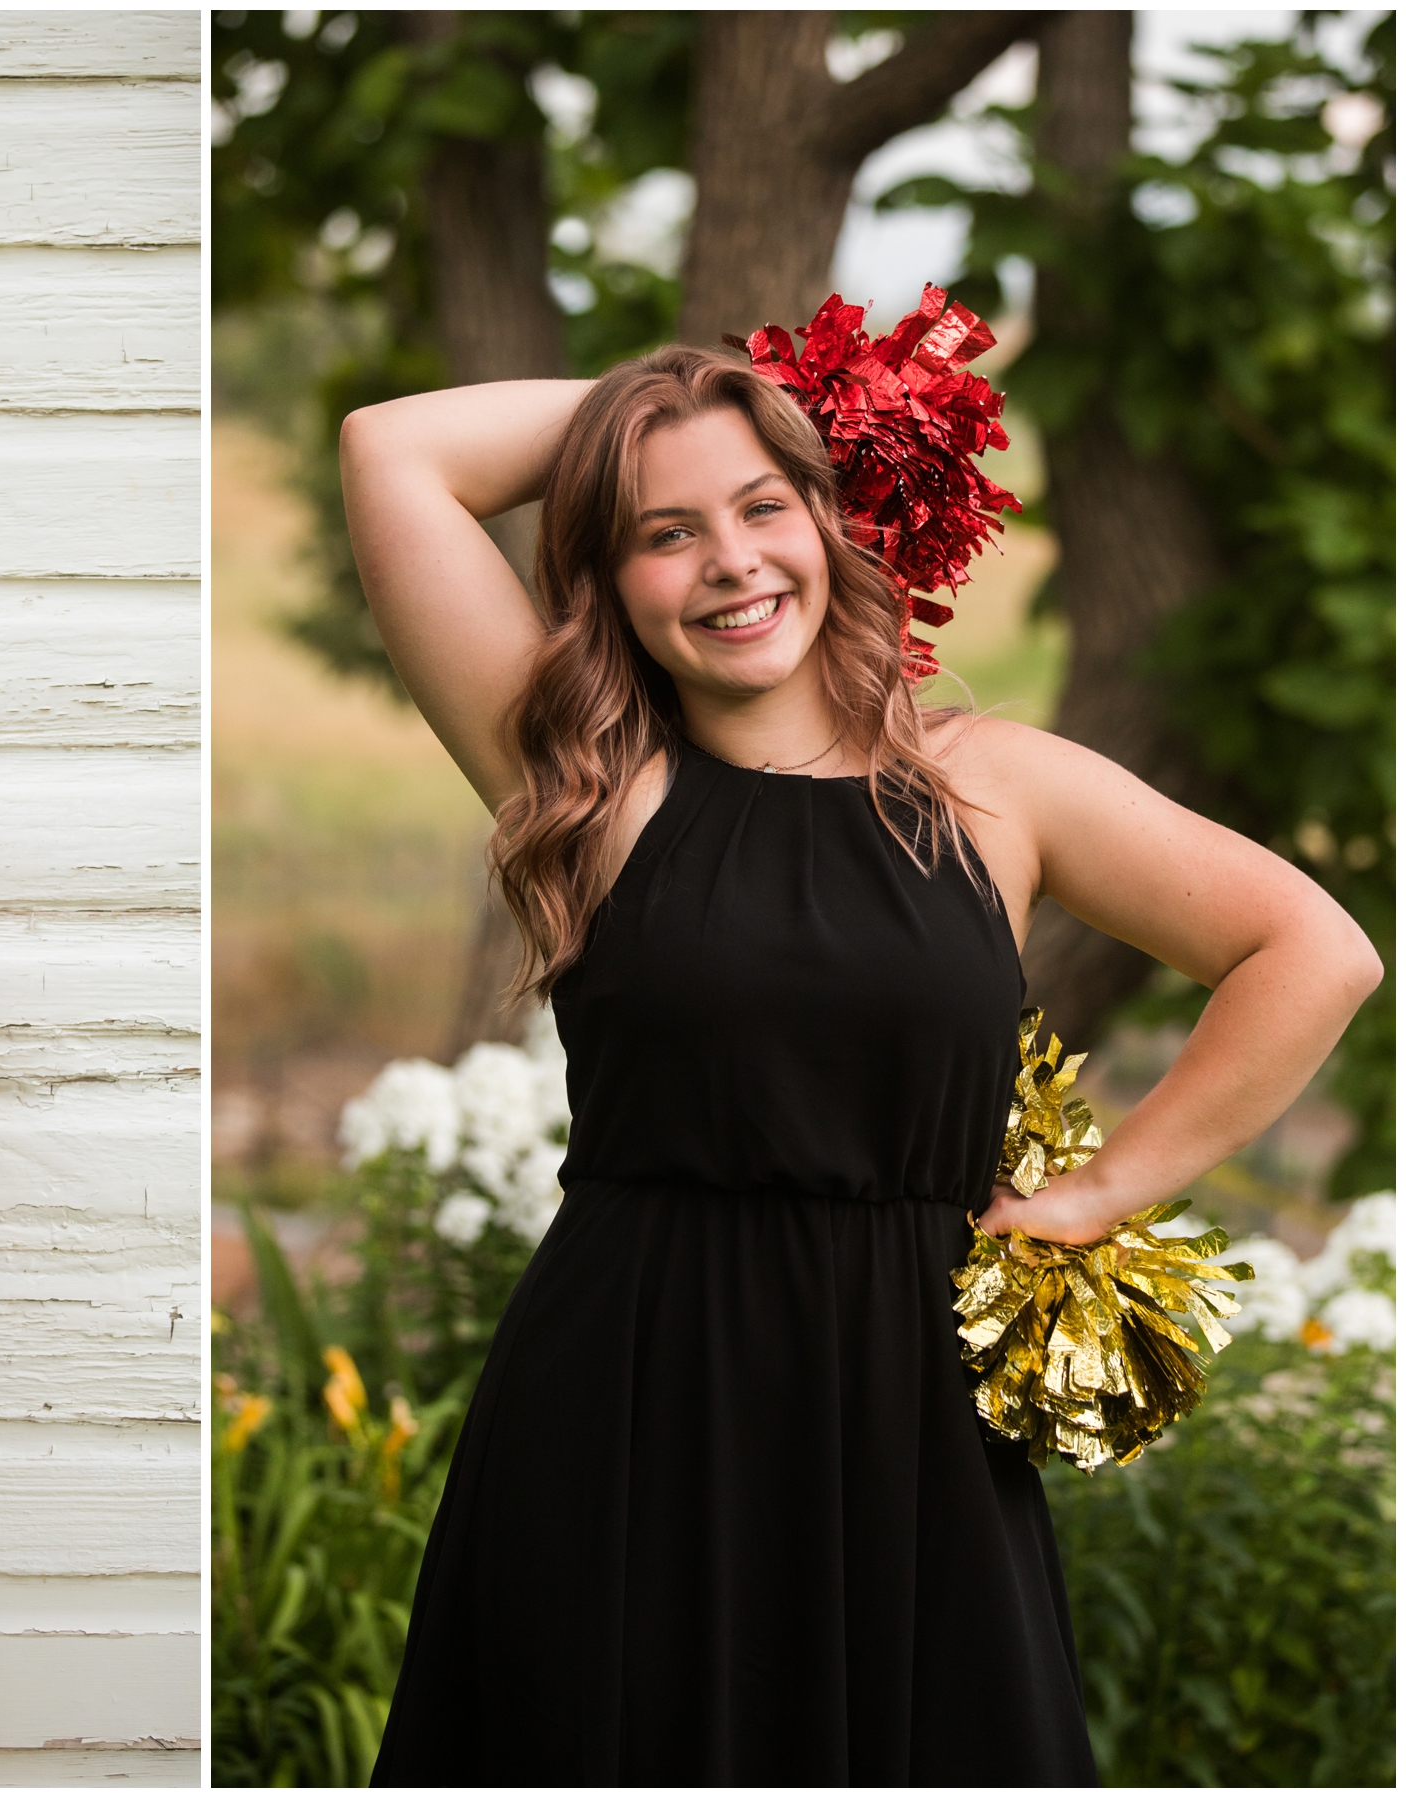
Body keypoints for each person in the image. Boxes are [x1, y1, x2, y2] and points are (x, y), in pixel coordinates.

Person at [337, 344, 1381, 1785]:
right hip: (633, 1401)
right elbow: (391, 449)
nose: (730, 562)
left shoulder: (995, 786)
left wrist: (1101, 1190)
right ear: (613, 579)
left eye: (765, 506)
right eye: (666, 531)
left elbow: (1315, 952)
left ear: (833, 520)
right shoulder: (583, 778)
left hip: (916, 1423)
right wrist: (711, 401)